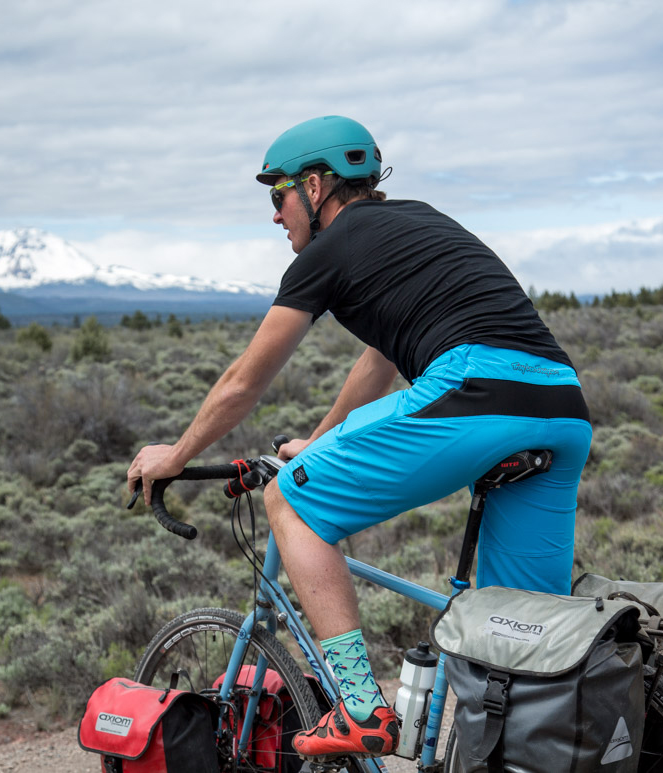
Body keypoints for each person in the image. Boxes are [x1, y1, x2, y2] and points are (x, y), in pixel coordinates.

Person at [126, 115, 592, 762]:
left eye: (277, 195)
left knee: (290, 501)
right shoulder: (419, 221)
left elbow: (243, 382)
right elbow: (379, 358)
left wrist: (173, 455)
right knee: (527, 641)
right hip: (563, 405)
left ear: (315, 187)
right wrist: (318, 442)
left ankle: (360, 706)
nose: (274, 214)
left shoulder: (328, 252)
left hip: (475, 390)